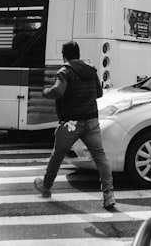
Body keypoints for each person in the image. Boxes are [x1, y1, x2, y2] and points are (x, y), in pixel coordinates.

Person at [34, 41, 115, 209]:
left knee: (58, 155)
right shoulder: (91, 70)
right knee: (100, 157)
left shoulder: (65, 71)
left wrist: (45, 92)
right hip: (91, 120)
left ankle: (46, 186)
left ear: (64, 55)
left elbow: (58, 91)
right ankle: (108, 194)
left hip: (71, 123)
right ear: (78, 54)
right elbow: (99, 92)